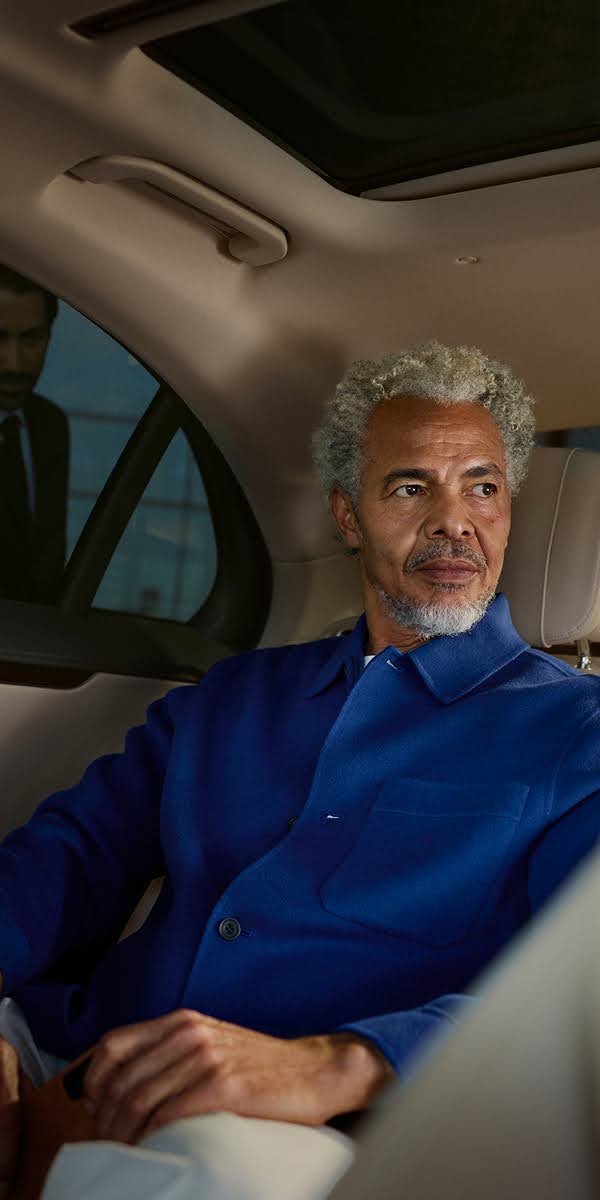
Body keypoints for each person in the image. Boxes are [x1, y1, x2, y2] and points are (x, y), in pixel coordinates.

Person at [1, 340, 599, 1194]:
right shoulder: (232, 695)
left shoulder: (578, 734)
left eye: (482, 485)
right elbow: (70, 855)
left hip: (322, 1124)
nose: (453, 519)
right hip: (76, 1051)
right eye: (409, 487)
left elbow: (576, 995)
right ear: (348, 517)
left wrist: (338, 1065)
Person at [0, 264, 69, 603]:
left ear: (49, 336)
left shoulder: (51, 426)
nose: (13, 363)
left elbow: (50, 562)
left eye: (30, 339)